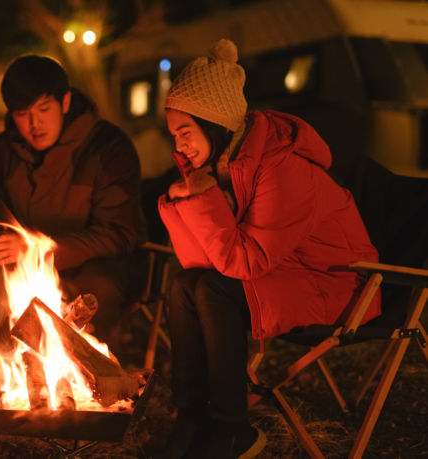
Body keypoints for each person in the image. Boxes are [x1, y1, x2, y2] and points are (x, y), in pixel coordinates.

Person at [153, 39, 381, 458]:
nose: (180, 145)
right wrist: (185, 198)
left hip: (335, 282)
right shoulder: (224, 164)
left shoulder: (282, 165)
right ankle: (191, 419)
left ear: (215, 123)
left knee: (214, 290)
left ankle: (231, 429)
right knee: (188, 283)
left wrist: (200, 199)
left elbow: (244, 261)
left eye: (185, 132)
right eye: (174, 135)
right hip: (283, 271)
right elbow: (202, 261)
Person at [0, 55, 146, 367]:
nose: (34, 124)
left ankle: (81, 375)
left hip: (94, 265)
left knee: (96, 290)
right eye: (23, 114)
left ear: (65, 102)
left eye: (43, 109)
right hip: (22, 268)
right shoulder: (4, 151)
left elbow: (118, 234)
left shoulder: (106, 147)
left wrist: (36, 249)